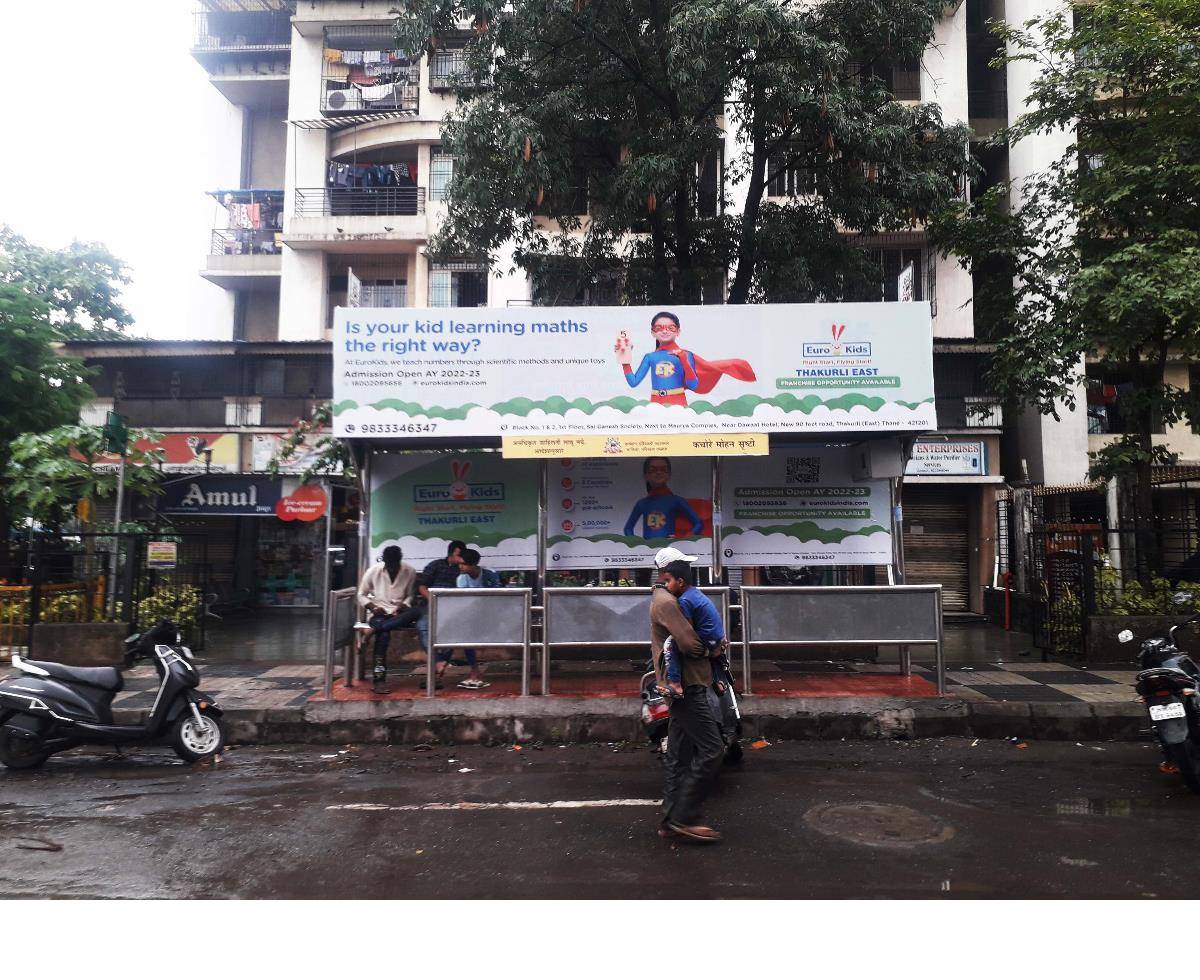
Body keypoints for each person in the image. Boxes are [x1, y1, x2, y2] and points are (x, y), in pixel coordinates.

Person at [650, 547, 725, 844]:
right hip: (688, 686)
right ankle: (685, 816)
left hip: (680, 684)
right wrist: (712, 650)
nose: (686, 572)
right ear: (671, 575)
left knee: (679, 756)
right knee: (712, 749)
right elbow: (689, 644)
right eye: (682, 567)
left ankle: (670, 821)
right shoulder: (668, 602)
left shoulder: (666, 597)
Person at [614, 310, 756, 408]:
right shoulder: (650, 357)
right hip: (655, 405)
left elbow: (693, 385)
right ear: (653, 332)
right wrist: (625, 360)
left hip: (679, 405)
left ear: (678, 331)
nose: (665, 331)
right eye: (659, 328)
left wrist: (684, 360)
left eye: (671, 327)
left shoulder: (685, 354)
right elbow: (633, 382)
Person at [658, 554, 728, 700]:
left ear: (680, 582)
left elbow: (688, 630)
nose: (665, 585)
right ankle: (719, 681)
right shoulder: (694, 592)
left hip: (708, 638)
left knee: (671, 644)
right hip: (717, 636)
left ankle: (675, 683)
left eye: (667, 581)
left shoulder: (684, 601)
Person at [355, 545, 421, 694]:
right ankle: (379, 681)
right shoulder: (373, 571)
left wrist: (403, 605)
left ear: (400, 561)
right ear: (384, 562)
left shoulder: (409, 571)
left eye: (394, 565)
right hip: (378, 613)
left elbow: (410, 595)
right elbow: (361, 594)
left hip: (399, 614)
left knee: (416, 612)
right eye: (389, 565)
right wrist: (372, 607)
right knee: (383, 637)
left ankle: (371, 631)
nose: (391, 569)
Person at [417, 540, 479, 690]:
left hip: (455, 608)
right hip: (432, 604)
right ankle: (438, 661)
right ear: (452, 553)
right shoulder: (436, 565)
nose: (461, 560)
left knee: (454, 628)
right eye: (459, 555)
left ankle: (437, 671)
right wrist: (432, 599)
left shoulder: (463, 572)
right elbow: (422, 586)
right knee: (423, 626)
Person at [450, 548, 500, 689]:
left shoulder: (490, 574)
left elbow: (498, 597)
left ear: (473, 564)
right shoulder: (461, 579)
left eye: (463, 564)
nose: (460, 567)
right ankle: (474, 668)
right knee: (465, 634)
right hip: (472, 616)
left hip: (492, 614)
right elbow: (464, 602)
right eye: (459, 564)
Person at [623, 457, 703, 541]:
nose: (658, 473)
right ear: (645, 475)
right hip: (647, 550)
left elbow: (698, 523)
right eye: (653, 470)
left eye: (663, 469)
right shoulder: (642, 503)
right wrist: (637, 543)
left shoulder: (676, 501)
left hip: (670, 549)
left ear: (669, 475)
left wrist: (682, 539)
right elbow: (628, 529)